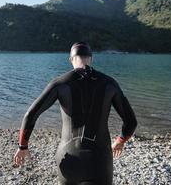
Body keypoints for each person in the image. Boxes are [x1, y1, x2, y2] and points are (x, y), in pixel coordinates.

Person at [13, 41, 138, 184]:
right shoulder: (109, 83)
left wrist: (22, 147)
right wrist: (120, 141)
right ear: (91, 58)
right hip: (100, 160)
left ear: (71, 59)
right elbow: (131, 122)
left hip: (69, 158)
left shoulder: (59, 83)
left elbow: (30, 115)